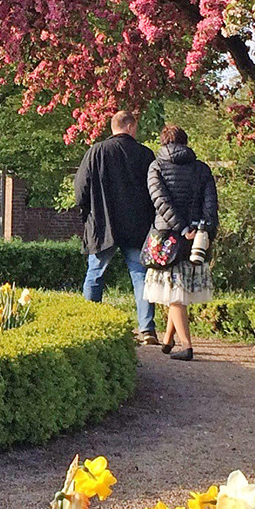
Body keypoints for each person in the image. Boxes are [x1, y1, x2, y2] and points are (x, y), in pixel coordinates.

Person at [74, 110, 157, 342]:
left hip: (103, 224)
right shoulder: (145, 154)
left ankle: (89, 324)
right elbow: (155, 190)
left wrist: (87, 214)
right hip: (137, 225)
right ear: (129, 127)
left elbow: (80, 188)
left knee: (95, 273)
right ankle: (147, 328)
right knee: (141, 276)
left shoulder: (96, 152)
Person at [145, 124, 217, 361]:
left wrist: (181, 228)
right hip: (196, 235)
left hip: (167, 235)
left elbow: (161, 202)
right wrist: (205, 230)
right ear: (185, 142)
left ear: (163, 142)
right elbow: (210, 203)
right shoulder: (201, 169)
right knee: (178, 288)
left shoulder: (156, 166)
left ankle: (186, 346)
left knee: (174, 292)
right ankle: (168, 340)